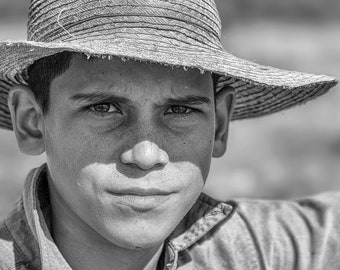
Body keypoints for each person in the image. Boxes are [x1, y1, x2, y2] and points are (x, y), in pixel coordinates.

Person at [0, 0, 338, 269]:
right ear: (32, 121)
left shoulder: (261, 249)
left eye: (180, 110)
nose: (146, 156)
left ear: (219, 125)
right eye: (103, 108)